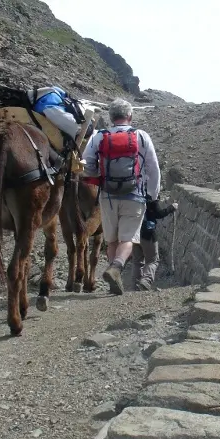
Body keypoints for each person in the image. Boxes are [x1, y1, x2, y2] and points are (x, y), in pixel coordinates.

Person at [81, 98, 160, 295]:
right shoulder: (141, 136)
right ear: (130, 116)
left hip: (107, 196)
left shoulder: (99, 136)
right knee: (128, 240)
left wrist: (97, 174)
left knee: (112, 240)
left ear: (110, 117)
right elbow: (153, 168)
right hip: (135, 196)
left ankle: (113, 277)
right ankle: (116, 268)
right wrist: (153, 195)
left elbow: (86, 164)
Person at [132, 199, 178, 291]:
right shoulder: (151, 198)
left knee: (137, 261)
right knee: (153, 260)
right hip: (148, 234)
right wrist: (172, 207)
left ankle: (136, 284)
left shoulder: (134, 196)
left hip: (135, 233)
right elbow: (159, 214)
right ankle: (146, 281)